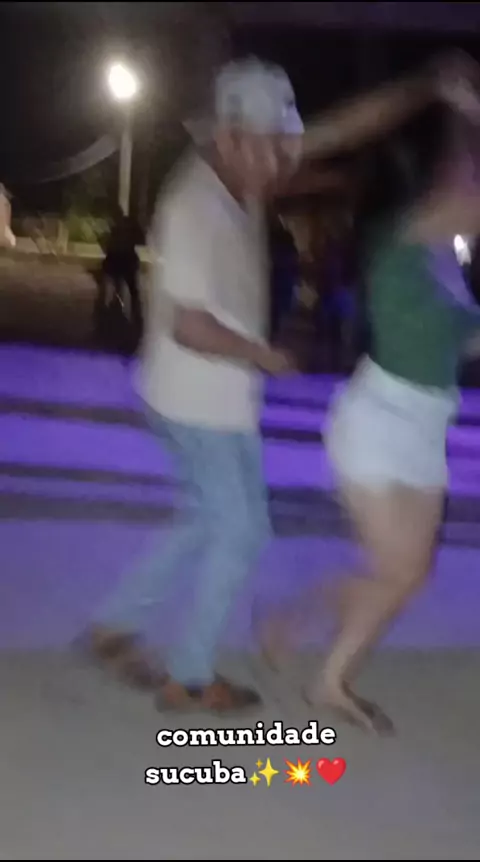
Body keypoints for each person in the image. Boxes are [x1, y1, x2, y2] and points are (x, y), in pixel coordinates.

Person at [258, 55, 480, 734]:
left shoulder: (447, 265)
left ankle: (309, 637)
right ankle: (321, 667)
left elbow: (457, 345)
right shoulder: (400, 241)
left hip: (425, 429)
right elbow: (466, 188)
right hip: (377, 423)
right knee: (393, 568)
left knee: (409, 573)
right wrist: (464, 114)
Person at [82, 58, 304, 713]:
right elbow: (189, 325)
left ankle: (115, 624)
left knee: (208, 518)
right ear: (229, 137)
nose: (280, 161)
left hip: (221, 400)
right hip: (193, 397)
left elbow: (316, 149)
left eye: (283, 144)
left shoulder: (240, 186)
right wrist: (264, 356)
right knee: (240, 530)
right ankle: (191, 675)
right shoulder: (192, 205)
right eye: (269, 145)